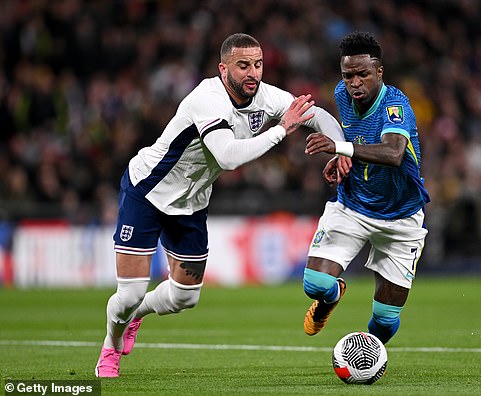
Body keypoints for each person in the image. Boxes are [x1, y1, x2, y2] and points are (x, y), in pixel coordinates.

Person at [95, 32, 344, 378]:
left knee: (185, 298)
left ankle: (138, 315)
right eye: (243, 66)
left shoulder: (267, 96)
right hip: (148, 191)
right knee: (130, 292)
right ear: (223, 69)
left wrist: (342, 149)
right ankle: (111, 345)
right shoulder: (207, 98)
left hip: (191, 203)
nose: (253, 73)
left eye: (257, 65)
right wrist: (280, 131)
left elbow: (315, 116)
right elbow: (226, 157)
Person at [302, 31, 430, 345]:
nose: (355, 83)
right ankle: (332, 297)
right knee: (315, 284)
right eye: (348, 76)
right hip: (354, 205)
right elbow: (354, 139)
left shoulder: (395, 104)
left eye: (363, 74)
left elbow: (393, 153)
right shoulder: (343, 96)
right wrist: (341, 159)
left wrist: (340, 149)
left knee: (386, 322)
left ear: (379, 72)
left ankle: (366, 352)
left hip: (401, 217)